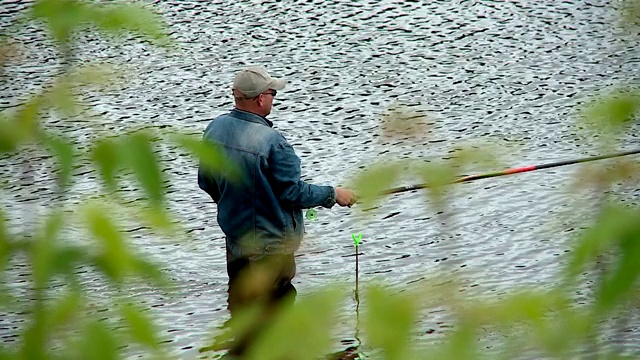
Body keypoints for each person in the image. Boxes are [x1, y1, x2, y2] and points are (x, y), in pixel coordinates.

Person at [198, 65, 357, 357]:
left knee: (244, 315)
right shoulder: (274, 143)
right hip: (271, 249)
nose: (273, 98)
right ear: (260, 99)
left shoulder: (215, 129)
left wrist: (235, 206)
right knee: (279, 313)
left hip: (235, 244)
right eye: (272, 93)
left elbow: (206, 181)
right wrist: (334, 194)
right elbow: (293, 192)